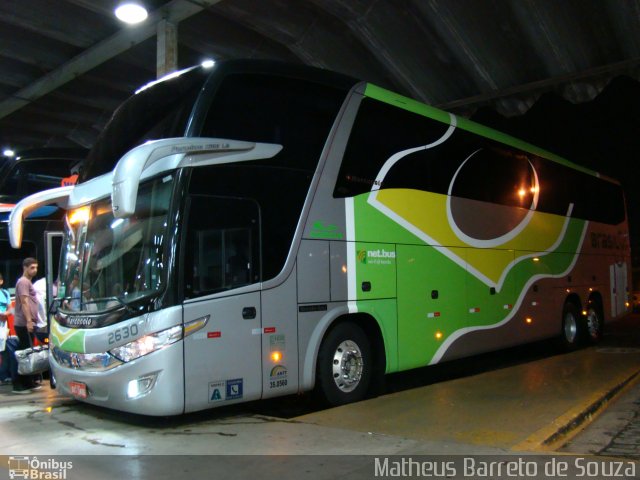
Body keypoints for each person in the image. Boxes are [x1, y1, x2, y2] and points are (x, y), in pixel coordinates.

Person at [11, 258, 42, 394]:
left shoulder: (26, 282)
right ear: (25, 267)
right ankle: (18, 383)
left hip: (26, 322)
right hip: (24, 323)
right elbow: (24, 302)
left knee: (26, 352)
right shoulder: (23, 282)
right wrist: (29, 321)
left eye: (36, 267)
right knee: (23, 354)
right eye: (32, 268)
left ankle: (27, 381)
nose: (34, 270)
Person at [0, 272, 12, 384]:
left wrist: (6, 314)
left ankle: (3, 375)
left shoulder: (5, 293)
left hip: (3, 325)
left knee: (4, 350)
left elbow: (11, 309)